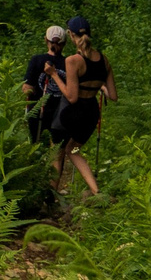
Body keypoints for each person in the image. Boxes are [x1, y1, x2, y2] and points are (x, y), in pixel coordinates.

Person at [46, 14, 116, 195]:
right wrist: (96, 85)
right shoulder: (104, 60)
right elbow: (113, 95)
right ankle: (96, 191)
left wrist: (53, 75)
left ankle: (51, 196)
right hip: (90, 115)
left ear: (70, 34)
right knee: (73, 149)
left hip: (70, 115)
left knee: (57, 151)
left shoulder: (72, 60)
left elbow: (72, 97)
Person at [23, 25, 67, 144]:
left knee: (35, 144)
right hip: (60, 112)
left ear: (45, 40)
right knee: (57, 147)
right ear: (65, 43)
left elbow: (27, 88)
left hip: (37, 110)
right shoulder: (68, 62)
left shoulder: (36, 60)